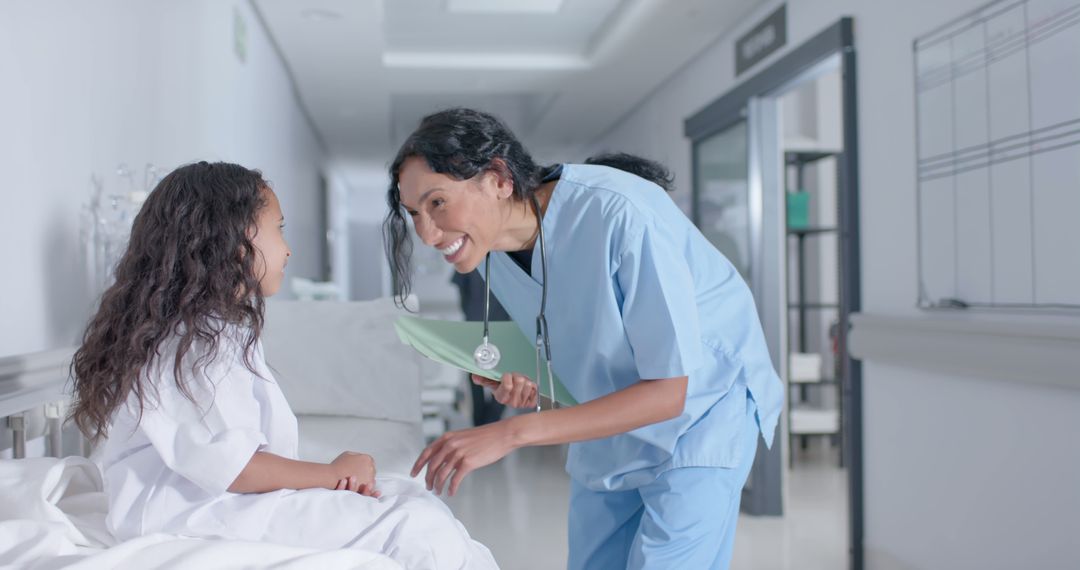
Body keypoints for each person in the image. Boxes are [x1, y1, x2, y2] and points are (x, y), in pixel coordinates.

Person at [384, 108, 784, 570]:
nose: (427, 234)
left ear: (497, 178)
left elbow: (671, 390)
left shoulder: (620, 214)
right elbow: (575, 333)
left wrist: (510, 432)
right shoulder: (491, 252)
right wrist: (523, 377)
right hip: (609, 418)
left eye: (437, 203)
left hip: (701, 410)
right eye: (414, 213)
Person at [70, 161, 498, 570]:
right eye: (278, 230)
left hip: (214, 502)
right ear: (233, 240)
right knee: (415, 527)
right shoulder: (193, 343)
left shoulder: (215, 331)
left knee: (410, 500)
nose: (288, 248)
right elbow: (232, 466)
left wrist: (331, 476)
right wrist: (330, 475)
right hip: (189, 514)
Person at [451, 270, 509, 426]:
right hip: (493, 325)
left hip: (486, 324)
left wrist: (470, 312)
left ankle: (485, 423)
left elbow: (461, 289)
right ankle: (485, 423)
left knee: (498, 378)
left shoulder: (503, 262)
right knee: (481, 377)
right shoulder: (473, 258)